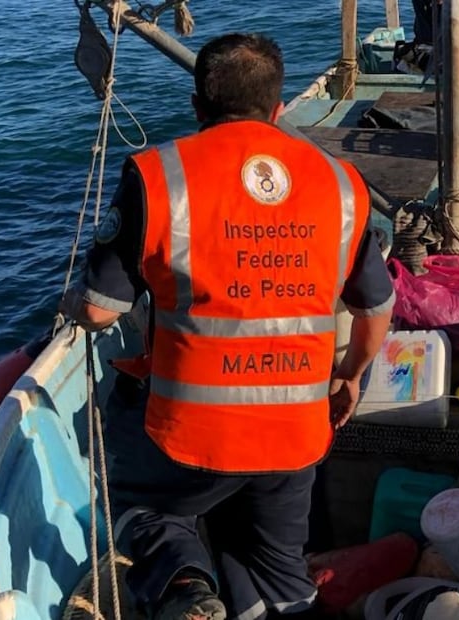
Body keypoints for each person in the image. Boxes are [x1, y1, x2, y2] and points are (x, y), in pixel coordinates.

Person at [61, 32, 394, 620]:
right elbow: (375, 309)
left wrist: (68, 304)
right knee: (278, 565)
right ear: (279, 109)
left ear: (197, 107)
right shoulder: (342, 185)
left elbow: (98, 311)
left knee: (142, 510)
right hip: (295, 433)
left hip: (189, 437)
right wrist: (350, 375)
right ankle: (290, 603)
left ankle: (187, 586)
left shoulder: (156, 177)